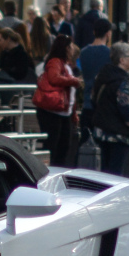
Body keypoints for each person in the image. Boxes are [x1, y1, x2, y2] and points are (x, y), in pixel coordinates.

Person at [91, 42, 129, 177]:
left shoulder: (103, 76)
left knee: (105, 171)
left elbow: (93, 99)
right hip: (119, 134)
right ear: (122, 60)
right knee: (115, 173)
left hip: (102, 132)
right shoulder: (122, 81)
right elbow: (125, 108)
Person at [33, 34, 83, 167]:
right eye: (70, 46)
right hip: (53, 112)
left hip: (62, 112)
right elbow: (54, 78)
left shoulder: (63, 64)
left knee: (62, 147)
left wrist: (73, 113)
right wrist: (74, 81)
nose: (72, 49)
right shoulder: (55, 62)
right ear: (66, 48)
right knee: (55, 147)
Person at [78, 19, 112, 122]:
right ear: (108, 34)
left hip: (87, 102)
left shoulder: (83, 52)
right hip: (105, 105)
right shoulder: (110, 53)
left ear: (94, 32)